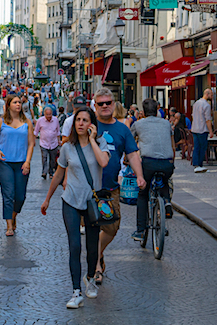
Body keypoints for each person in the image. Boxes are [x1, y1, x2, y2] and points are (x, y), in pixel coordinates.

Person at [40, 108, 110, 308]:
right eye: (78, 119)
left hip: (92, 203)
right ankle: (76, 291)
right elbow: (59, 174)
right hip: (70, 200)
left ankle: (89, 277)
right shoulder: (67, 147)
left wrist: (94, 140)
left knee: (91, 246)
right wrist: (47, 199)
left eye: (85, 120)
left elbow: (103, 162)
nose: (80, 123)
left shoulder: (101, 143)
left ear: (92, 124)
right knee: (74, 246)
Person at [92, 88, 145, 284]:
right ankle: (96, 264)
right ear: (95, 106)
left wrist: (139, 175)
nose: (105, 106)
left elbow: (131, 154)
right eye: (101, 103)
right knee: (91, 226)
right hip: (88, 188)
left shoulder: (122, 129)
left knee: (112, 226)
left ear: (113, 105)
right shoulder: (88, 125)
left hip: (110, 187)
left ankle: (97, 253)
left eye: (108, 103)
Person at [0, 95, 35, 237]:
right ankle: (9, 225)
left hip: (21, 162)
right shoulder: (0, 122)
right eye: (15, 102)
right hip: (4, 163)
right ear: (8, 105)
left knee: (20, 196)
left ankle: (13, 215)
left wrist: (27, 161)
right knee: (8, 194)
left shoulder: (27, 122)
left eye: (19, 102)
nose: (18, 105)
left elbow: (32, 143)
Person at [130, 98, 175, 241]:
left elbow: (130, 143)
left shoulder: (138, 124)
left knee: (143, 194)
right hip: (167, 163)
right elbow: (173, 146)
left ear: (143, 112)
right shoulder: (166, 123)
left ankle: (140, 230)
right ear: (157, 110)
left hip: (148, 163)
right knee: (164, 180)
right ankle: (166, 202)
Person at [191, 89, 215, 173]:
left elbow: (193, 115)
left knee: (196, 146)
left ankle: (195, 164)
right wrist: (211, 131)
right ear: (207, 94)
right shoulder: (206, 105)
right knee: (202, 147)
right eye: (211, 95)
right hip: (202, 129)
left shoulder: (196, 103)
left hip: (194, 128)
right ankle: (200, 164)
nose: (212, 97)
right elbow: (208, 119)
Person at [34, 107, 61, 179]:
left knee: (52, 159)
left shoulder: (55, 120)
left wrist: (59, 141)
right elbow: (36, 131)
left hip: (53, 143)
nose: (49, 116)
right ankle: (44, 172)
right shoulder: (40, 120)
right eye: (47, 114)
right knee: (44, 158)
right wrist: (33, 140)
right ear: (44, 114)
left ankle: (51, 172)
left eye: (50, 114)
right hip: (44, 143)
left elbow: (58, 131)